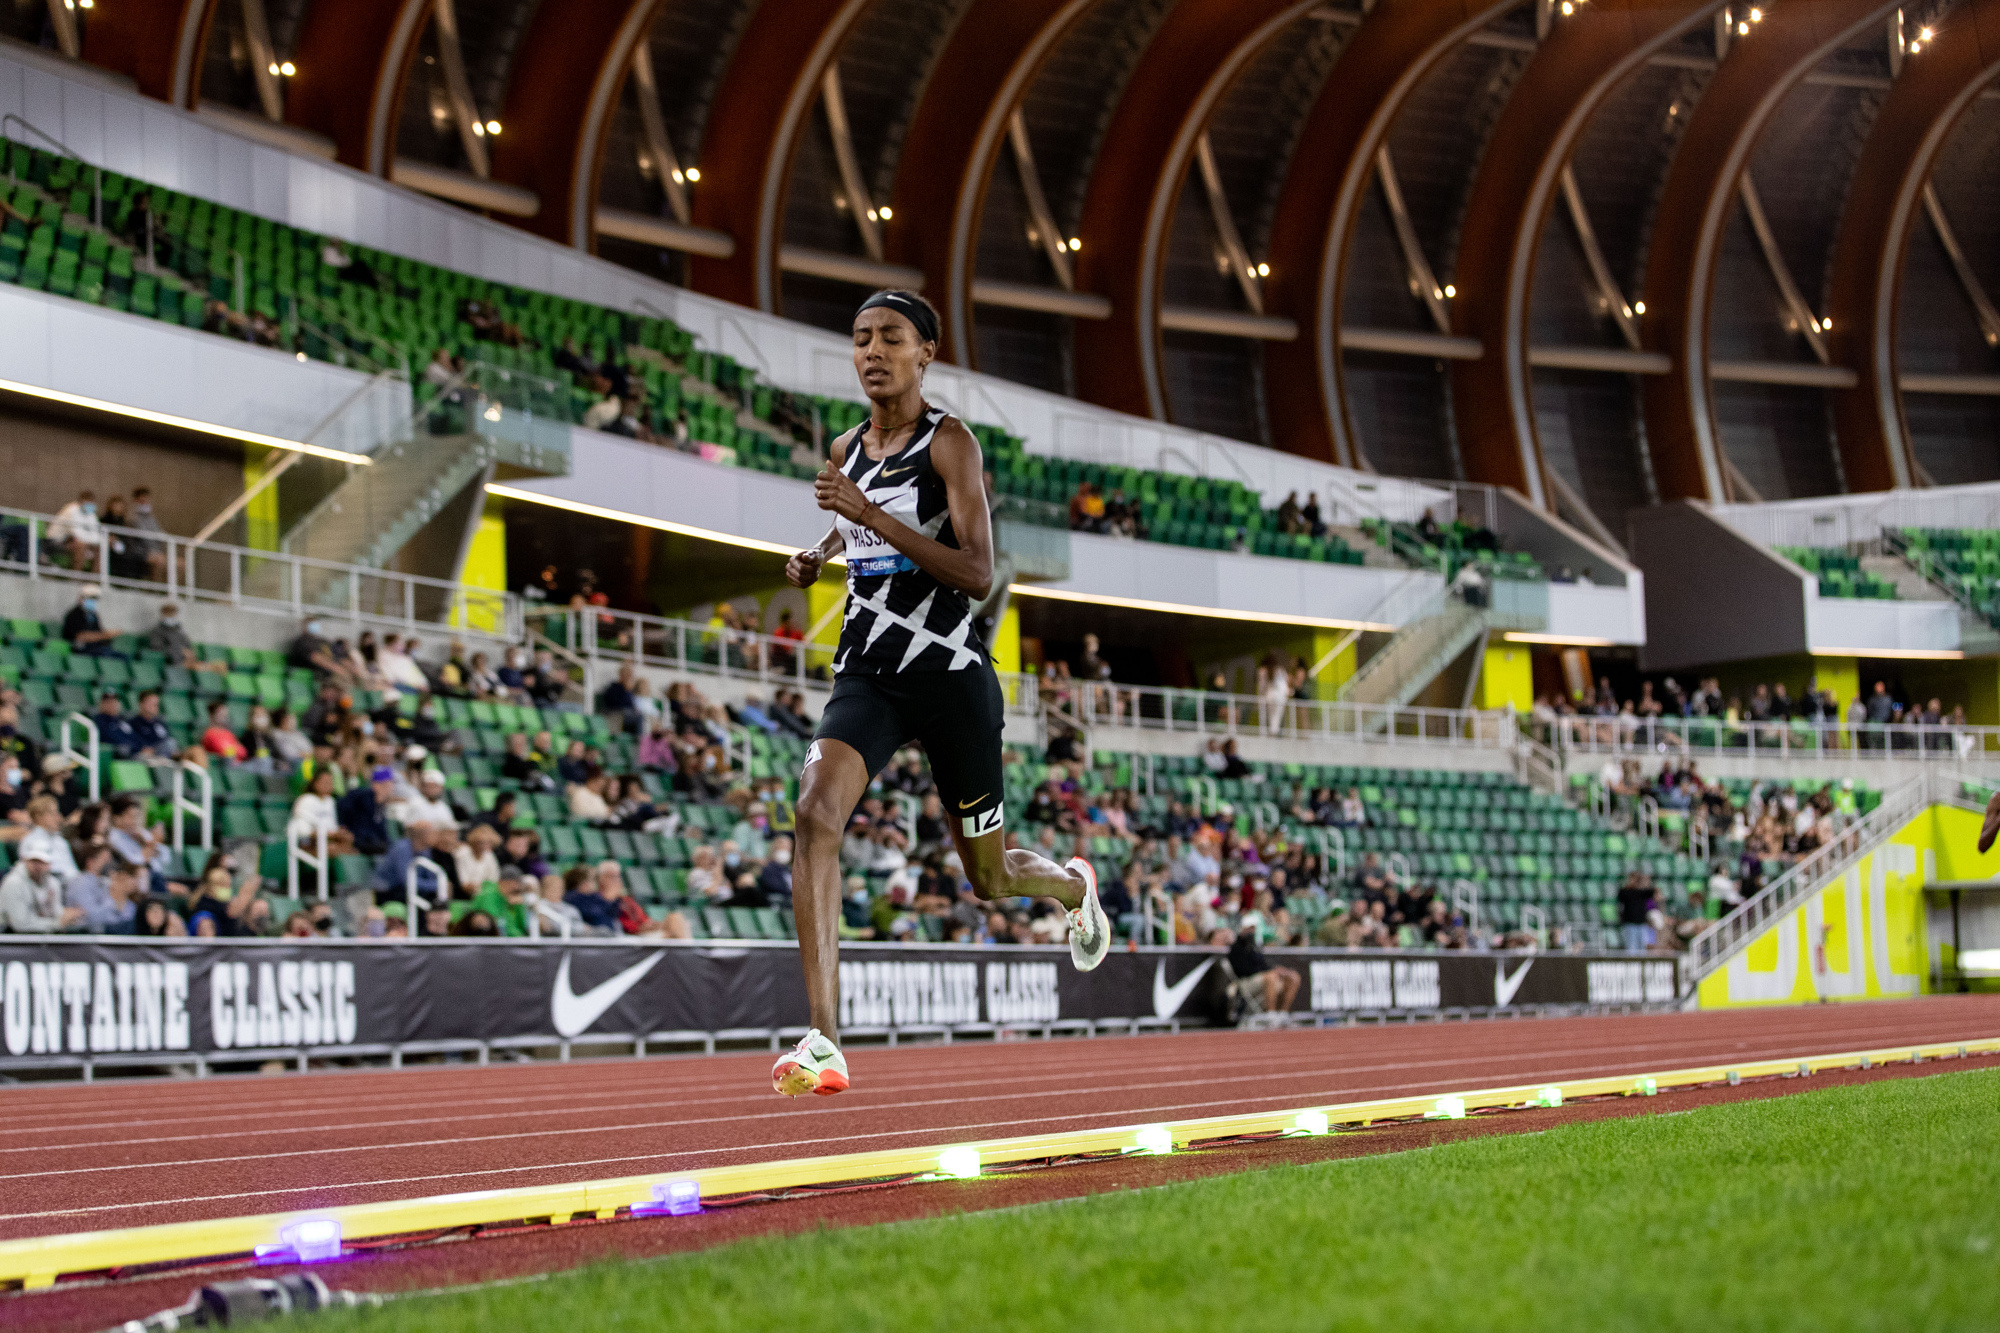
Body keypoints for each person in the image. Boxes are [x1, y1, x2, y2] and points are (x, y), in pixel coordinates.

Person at [769, 288, 1106, 1100]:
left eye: (890, 337)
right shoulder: (846, 446)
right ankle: (824, 1040)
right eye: (860, 337)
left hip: (951, 675)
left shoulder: (951, 444)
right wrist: (820, 551)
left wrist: (864, 519)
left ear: (927, 353)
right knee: (813, 810)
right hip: (870, 674)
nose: (872, 350)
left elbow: (976, 570)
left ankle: (1069, 886)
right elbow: (856, 522)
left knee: (988, 878)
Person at [0, 848, 81, 932]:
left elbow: (55, 912)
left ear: (49, 864)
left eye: (41, 862)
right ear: (25, 861)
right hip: (9, 938)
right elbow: (20, 924)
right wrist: (57, 923)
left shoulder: (53, 883)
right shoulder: (13, 883)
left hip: (38, 938)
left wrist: (68, 917)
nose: (37, 866)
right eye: (33, 861)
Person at [62, 584, 119, 657]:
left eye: (95, 598)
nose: (93, 601)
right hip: (79, 649)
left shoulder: (93, 615)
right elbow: (80, 636)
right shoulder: (74, 614)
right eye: (90, 598)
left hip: (96, 647)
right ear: (81, 598)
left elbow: (98, 631)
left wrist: (108, 636)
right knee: (105, 655)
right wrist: (106, 635)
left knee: (121, 656)